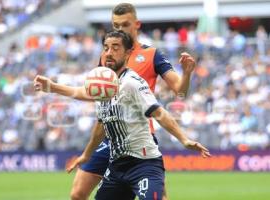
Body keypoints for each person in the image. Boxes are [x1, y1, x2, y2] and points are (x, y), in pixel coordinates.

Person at [34, 3, 196, 200]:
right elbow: (95, 92)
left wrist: (186, 74)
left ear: (137, 24)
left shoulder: (152, 55)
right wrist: (53, 86)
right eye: (115, 25)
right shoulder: (108, 56)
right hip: (110, 135)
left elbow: (180, 92)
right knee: (77, 194)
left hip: (139, 136)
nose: (119, 29)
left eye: (125, 24)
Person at [67, 30, 210, 200]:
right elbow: (102, 125)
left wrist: (184, 139)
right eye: (106, 48)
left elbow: (159, 112)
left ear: (128, 54)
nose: (109, 53)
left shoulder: (132, 82)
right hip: (117, 167)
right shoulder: (103, 87)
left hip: (144, 165)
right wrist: (86, 154)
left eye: (115, 48)